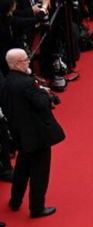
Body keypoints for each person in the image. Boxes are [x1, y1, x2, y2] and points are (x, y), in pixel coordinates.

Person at [1, 47, 63, 218]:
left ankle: (15, 201)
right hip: (36, 134)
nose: (28, 62)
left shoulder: (6, 82)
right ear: (16, 64)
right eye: (25, 60)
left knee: (22, 169)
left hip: (20, 133)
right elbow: (42, 104)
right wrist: (44, 93)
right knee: (40, 173)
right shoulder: (26, 83)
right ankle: (37, 207)